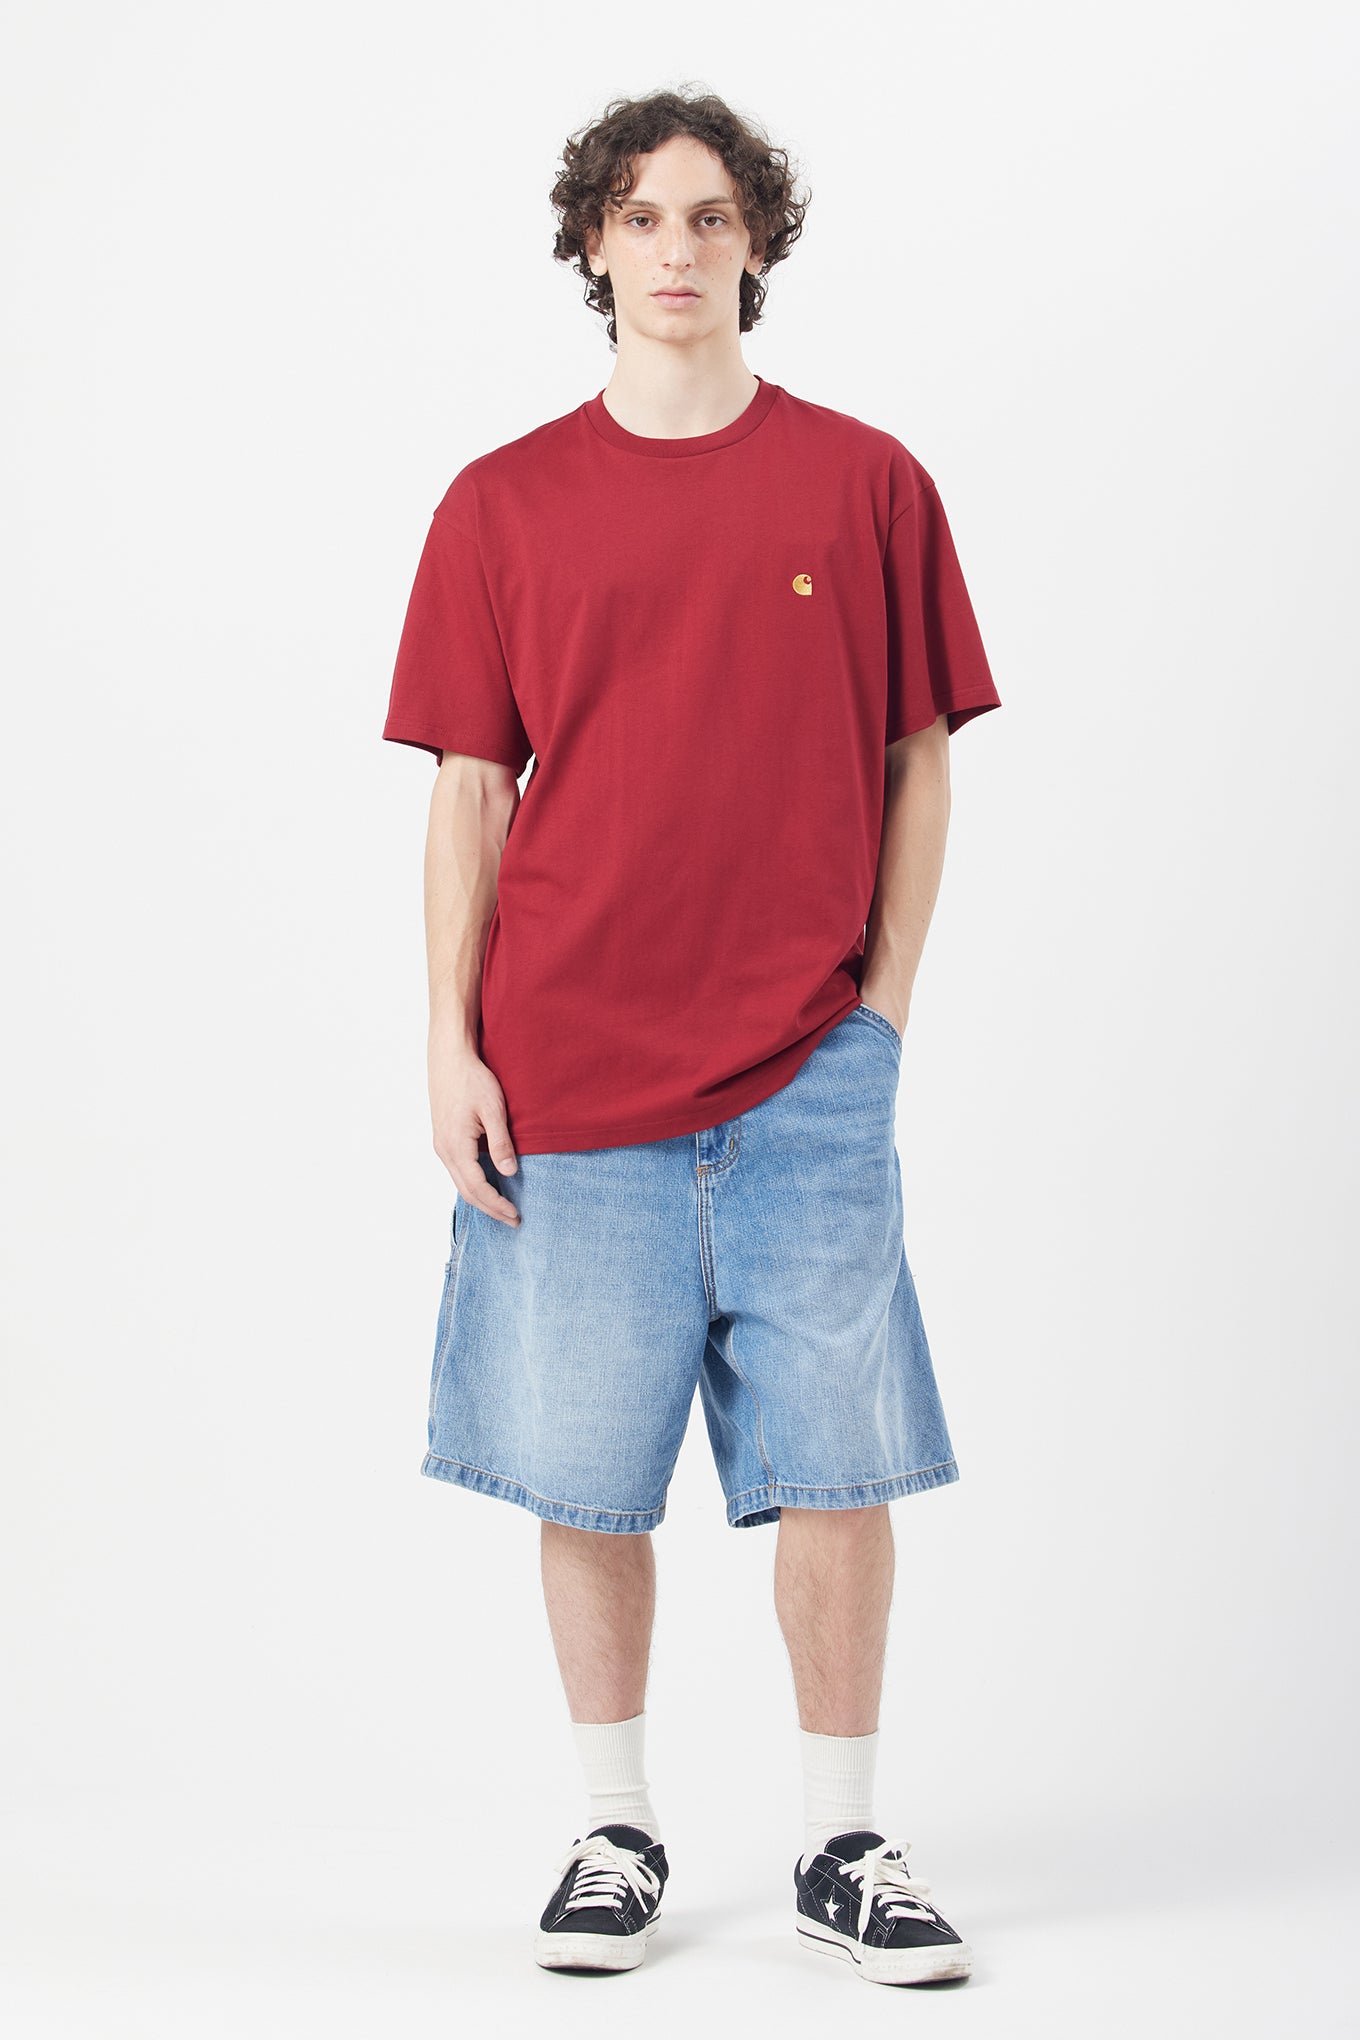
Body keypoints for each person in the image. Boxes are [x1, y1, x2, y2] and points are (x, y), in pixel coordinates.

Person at [381, 85, 1002, 1989]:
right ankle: (616, 1829)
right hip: (567, 1076)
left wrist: (882, 1011)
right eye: (641, 216)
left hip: (811, 1067)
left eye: (710, 215)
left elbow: (917, 756)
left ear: (758, 243)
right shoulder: (500, 504)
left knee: (843, 1463)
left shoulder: (865, 483)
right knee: (584, 1471)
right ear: (593, 245)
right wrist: (448, 1046)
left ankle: (842, 1843)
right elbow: (470, 792)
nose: (676, 247)